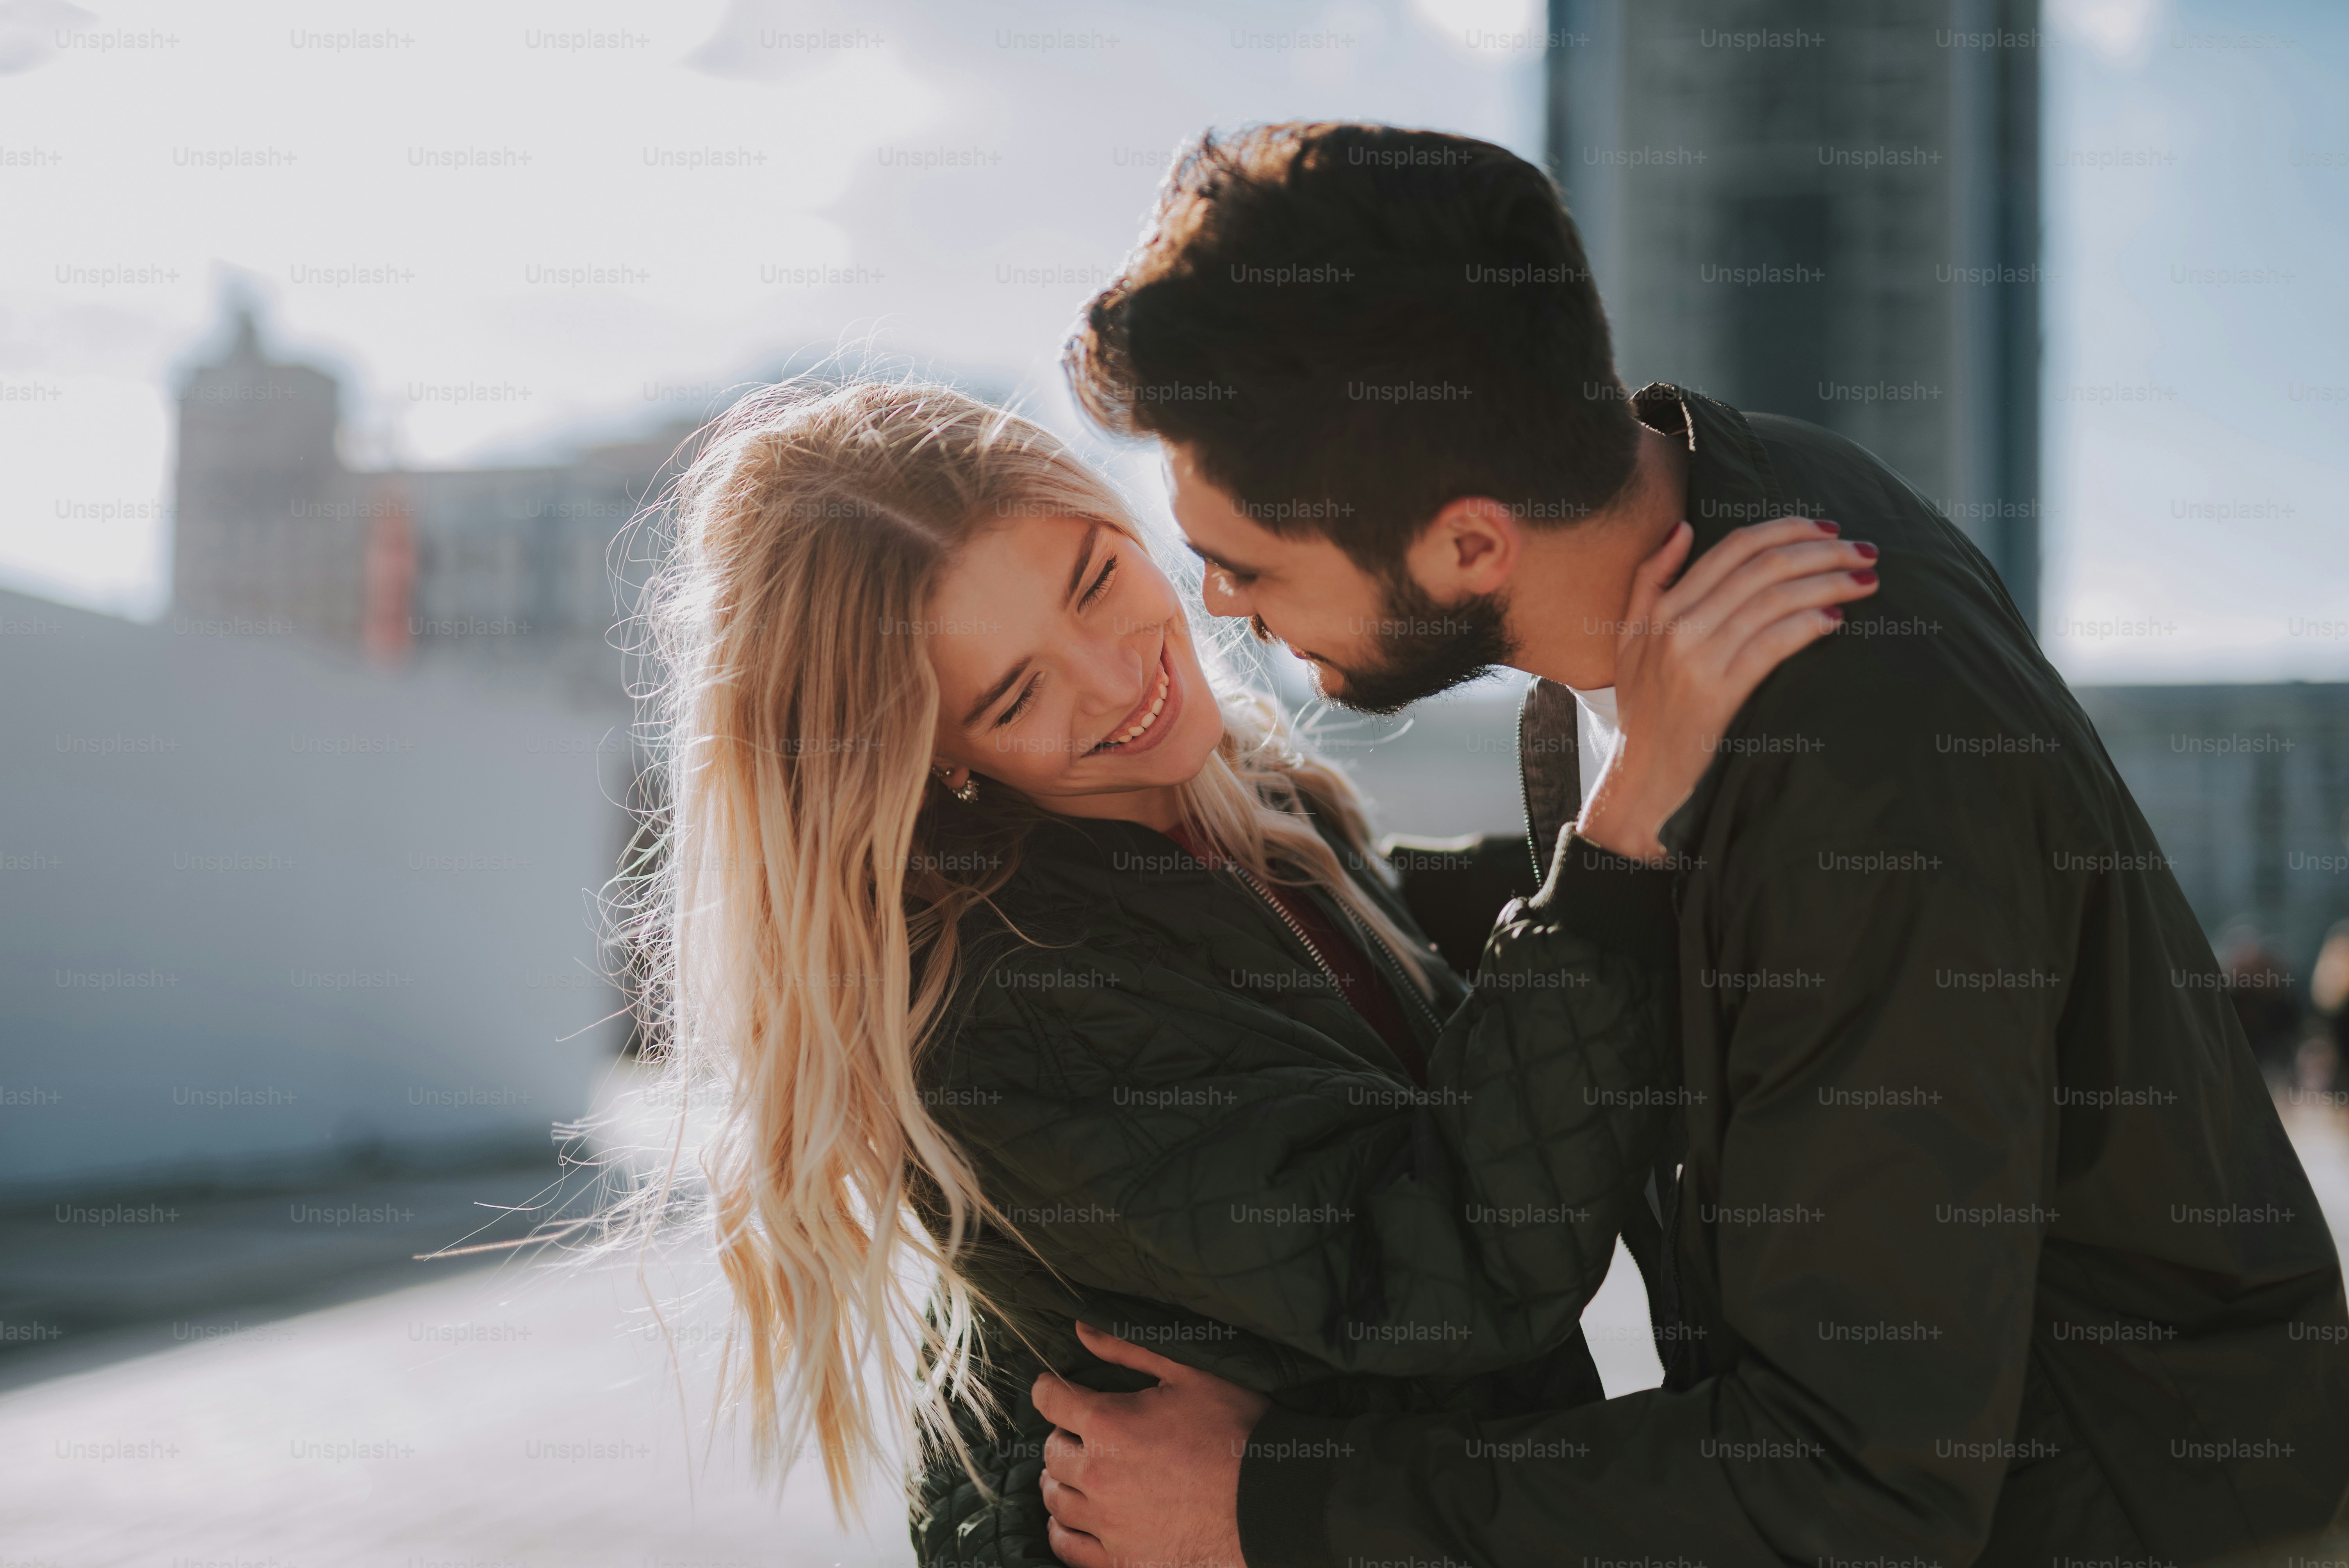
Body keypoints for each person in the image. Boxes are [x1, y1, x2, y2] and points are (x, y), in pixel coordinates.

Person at [1029, 121, 2349, 1566]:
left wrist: (1273, 1504)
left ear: (1470, 547)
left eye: (1252, 562)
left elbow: (1857, 1487)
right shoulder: (1692, 524)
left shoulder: (1856, 772)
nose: (1217, 604)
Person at [622, 376, 1877, 1560]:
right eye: (1015, 698)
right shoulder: (1003, 1005)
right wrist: (1633, 811)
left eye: (1096, 579)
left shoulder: (1245, 807)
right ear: (933, 759)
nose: (1120, 678)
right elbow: (1451, 1274)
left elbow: (1455, 980)